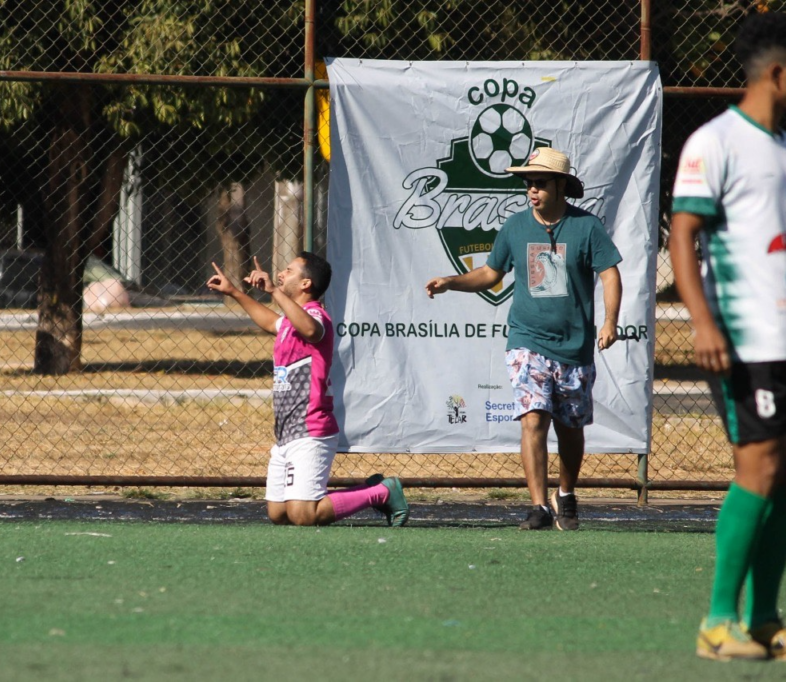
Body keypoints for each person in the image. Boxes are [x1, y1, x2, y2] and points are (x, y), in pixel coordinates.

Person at [669, 12, 786, 662]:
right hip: (743, 338)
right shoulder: (715, 143)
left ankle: (766, 621)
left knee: (781, 471)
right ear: (776, 71)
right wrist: (704, 322)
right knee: (760, 467)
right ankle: (718, 621)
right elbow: (684, 235)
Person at [425, 147, 623, 531]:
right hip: (527, 340)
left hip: (575, 347)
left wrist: (610, 321)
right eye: (528, 184)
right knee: (533, 419)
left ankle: (564, 494)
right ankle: (538, 507)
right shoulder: (515, 227)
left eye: (540, 183)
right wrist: (451, 282)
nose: (532, 191)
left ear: (561, 185)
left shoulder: (587, 228)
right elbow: (489, 274)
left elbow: (610, 275)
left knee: (570, 429)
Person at [207, 252, 409, 527]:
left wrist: (274, 291)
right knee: (279, 514)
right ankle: (372, 489)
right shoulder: (291, 321)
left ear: (305, 284)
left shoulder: (317, 316)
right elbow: (271, 322)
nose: (280, 274)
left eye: (288, 271)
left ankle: (383, 491)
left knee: (304, 515)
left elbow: (312, 331)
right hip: (286, 431)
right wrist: (233, 292)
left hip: (311, 428)